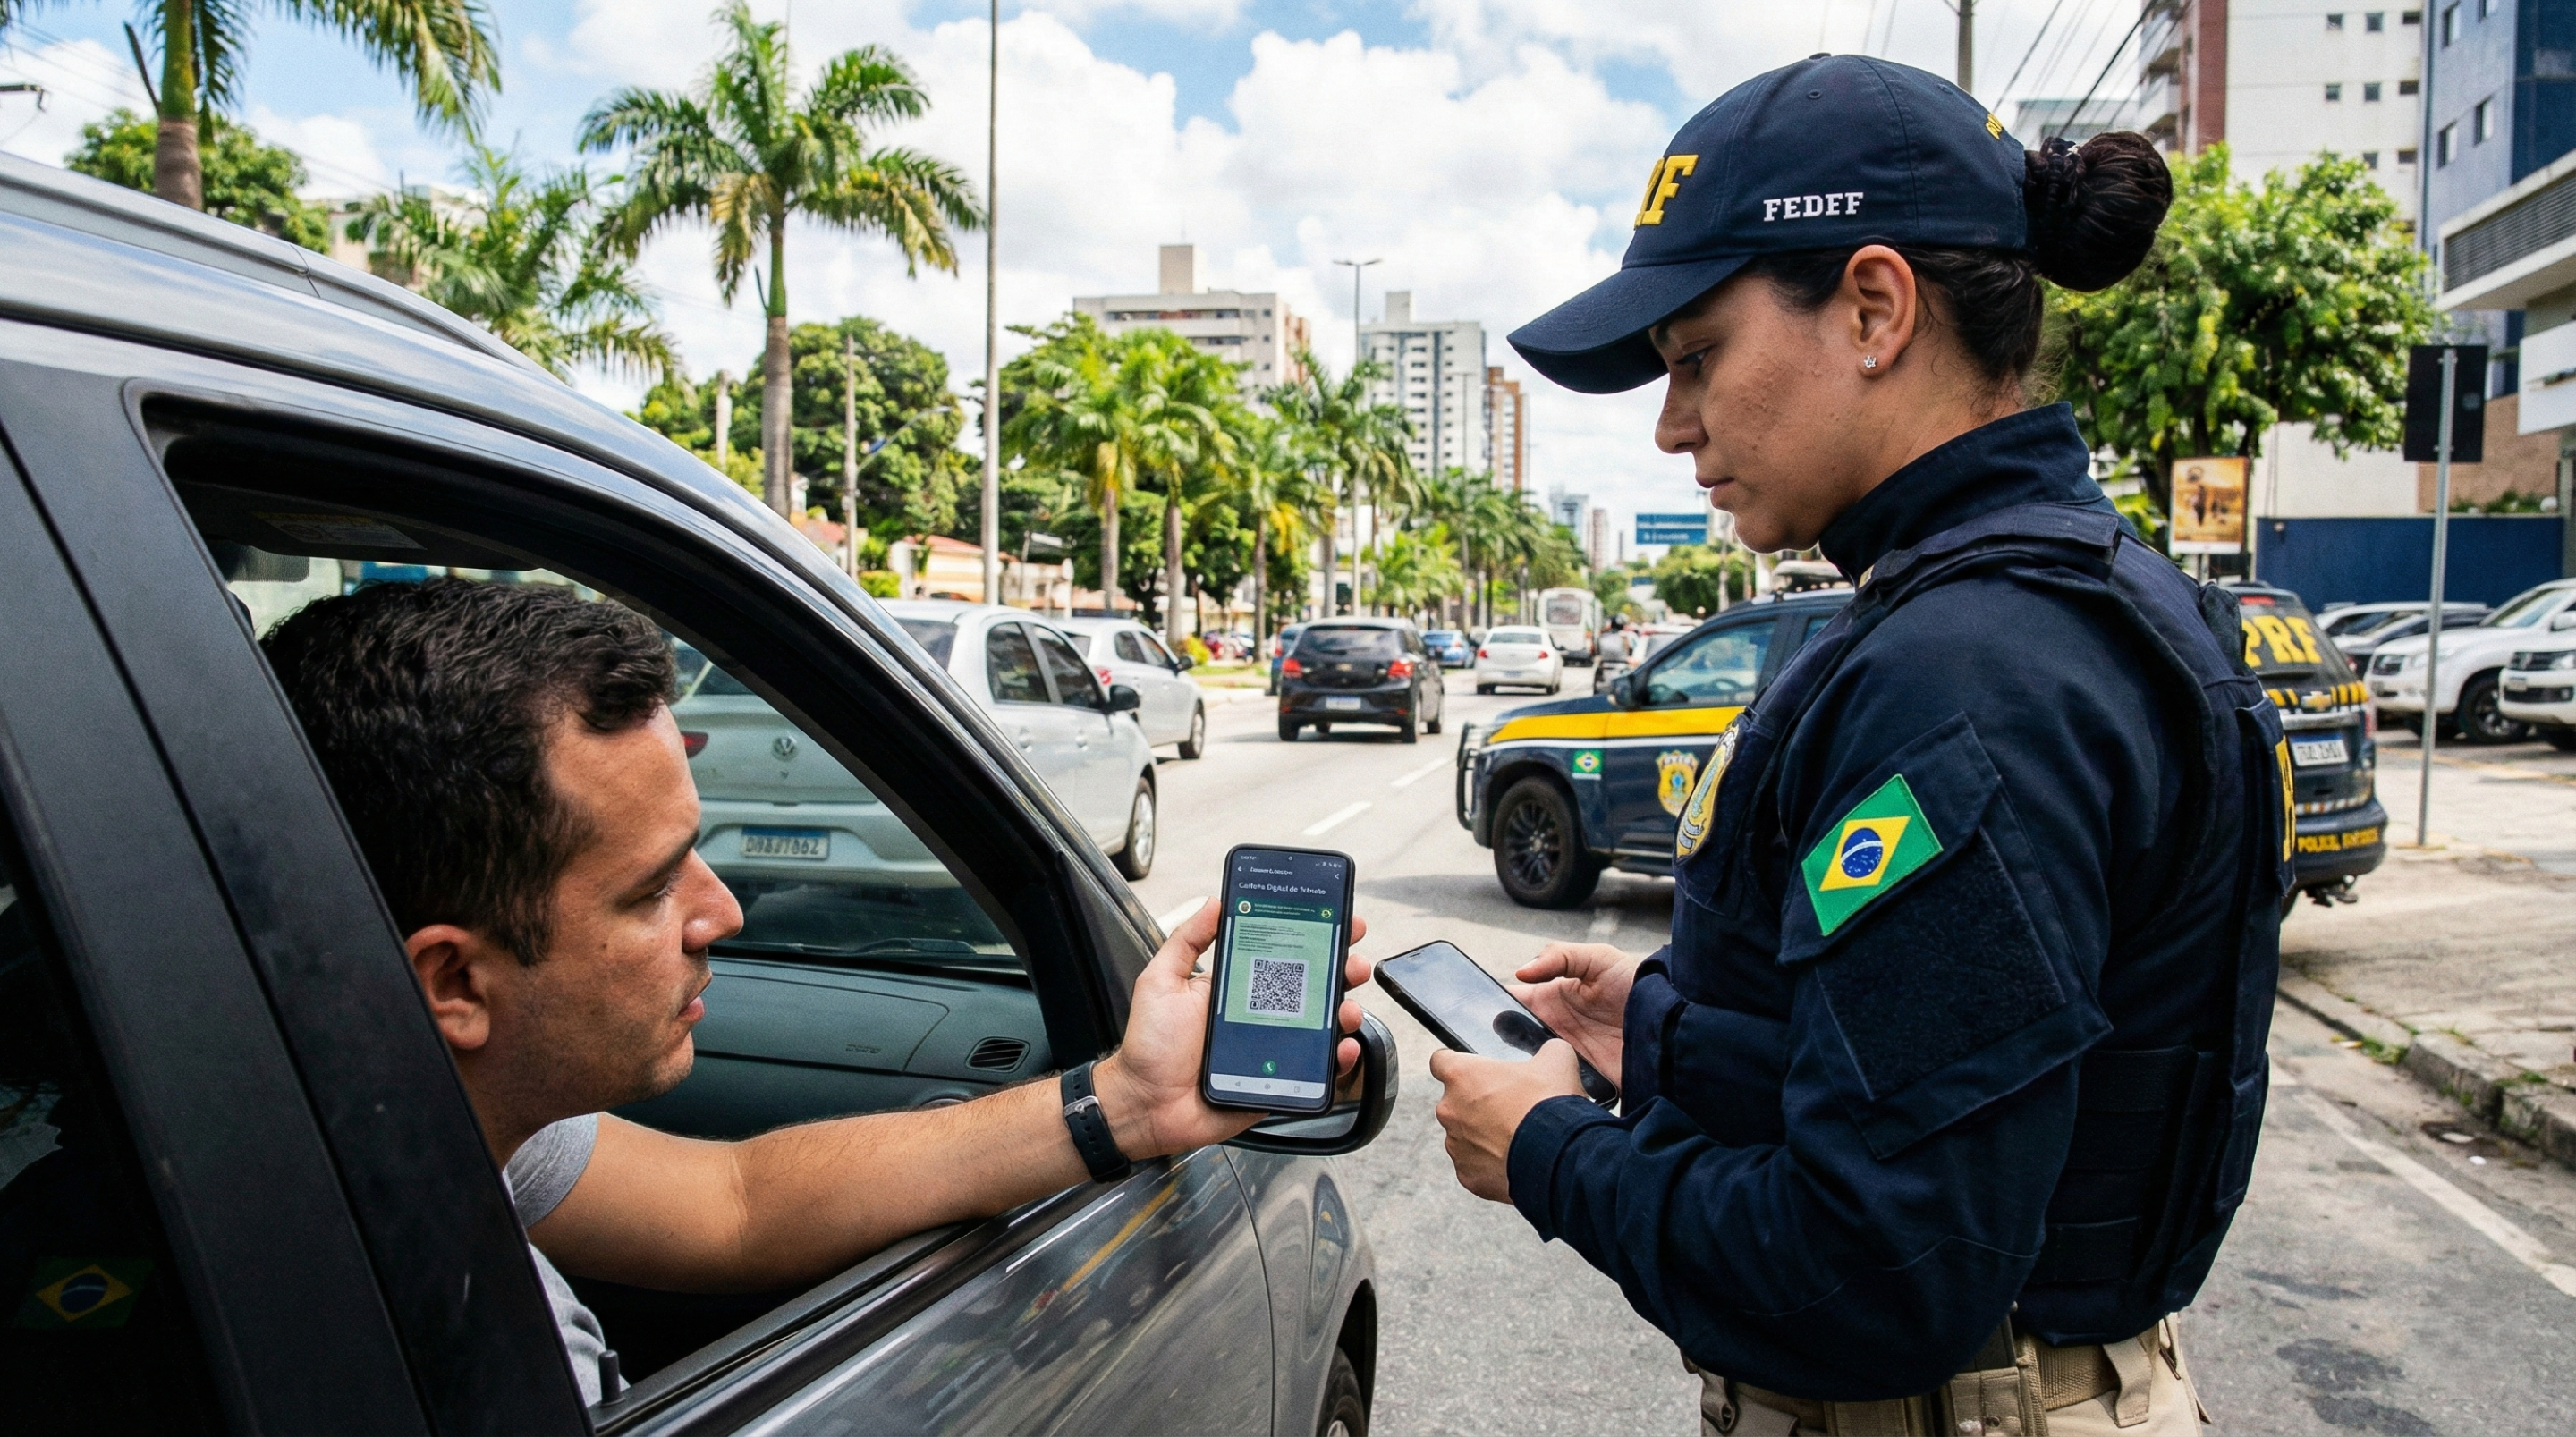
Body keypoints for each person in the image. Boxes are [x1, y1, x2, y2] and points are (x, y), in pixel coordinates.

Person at [1427, 55, 2287, 1435]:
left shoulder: (1969, 672)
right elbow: (1938, 1062)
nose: (1673, 424)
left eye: (1697, 356)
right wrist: (1665, 1035)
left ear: (1876, 308)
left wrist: (1548, 1149)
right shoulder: (2043, 600)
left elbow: (1874, 1266)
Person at [261, 579, 1369, 1404]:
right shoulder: (403, 1330)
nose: (723, 912)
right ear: (455, 979)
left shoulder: (420, 1126)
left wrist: (1125, 1101)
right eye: (652, 888)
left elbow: (733, 1202)